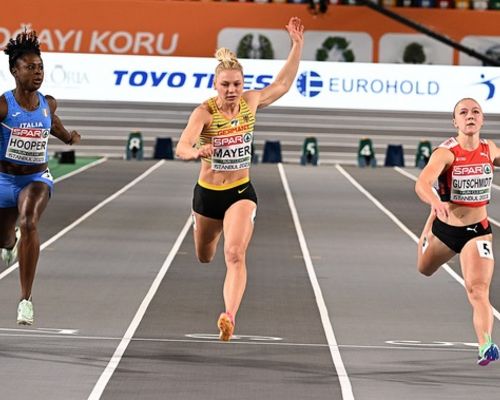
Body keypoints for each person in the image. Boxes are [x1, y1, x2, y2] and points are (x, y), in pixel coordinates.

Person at [175, 17, 303, 341]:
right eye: (225, 85)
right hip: (208, 194)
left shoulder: (250, 103)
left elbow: (283, 85)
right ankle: (205, 228)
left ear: (243, 84)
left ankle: (228, 316)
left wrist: (297, 46)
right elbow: (182, 146)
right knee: (205, 255)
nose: (232, 90)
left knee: (235, 254)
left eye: (236, 84)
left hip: (240, 191)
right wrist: (197, 152)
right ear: (215, 85)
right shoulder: (204, 113)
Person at [0, 30, 81, 325]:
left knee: (29, 221)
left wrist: (69, 137)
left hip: (36, 178)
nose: (37, 73)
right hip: (3, 181)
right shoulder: (4, 106)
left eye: (40, 67)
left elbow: (53, 125)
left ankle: (25, 300)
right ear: (14, 71)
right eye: (30, 67)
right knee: (5, 236)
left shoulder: (48, 103)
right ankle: (9, 243)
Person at [415, 97, 499, 366]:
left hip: (478, 231)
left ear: (483, 119)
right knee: (424, 268)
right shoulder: (446, 153)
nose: (470, 116)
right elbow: (422, 183)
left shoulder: (490, 149)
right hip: (446, 229)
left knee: (478, 290)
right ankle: (428, 225)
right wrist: (435, 203)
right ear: (456, 122)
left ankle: (485, 343)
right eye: (463, 112)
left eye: (476, 112)